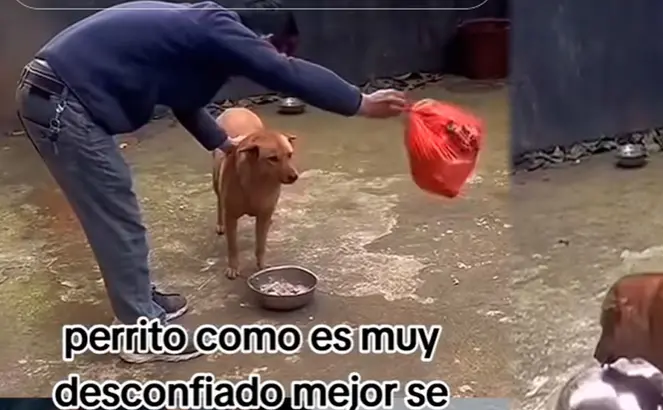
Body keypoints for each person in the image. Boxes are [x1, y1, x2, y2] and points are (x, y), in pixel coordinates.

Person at [14, 0, 407, 363]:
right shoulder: (217, 27)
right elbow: (284, 72)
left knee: (118, 212)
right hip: (64, 102)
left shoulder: (199, 38)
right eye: (276, 49)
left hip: (57, 93)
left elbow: (183, 99)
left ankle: (140, 302)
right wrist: (360, 102)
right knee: (116, 215)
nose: (273, 59)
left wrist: (221, 142)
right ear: (259, 39)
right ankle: (137, 332)